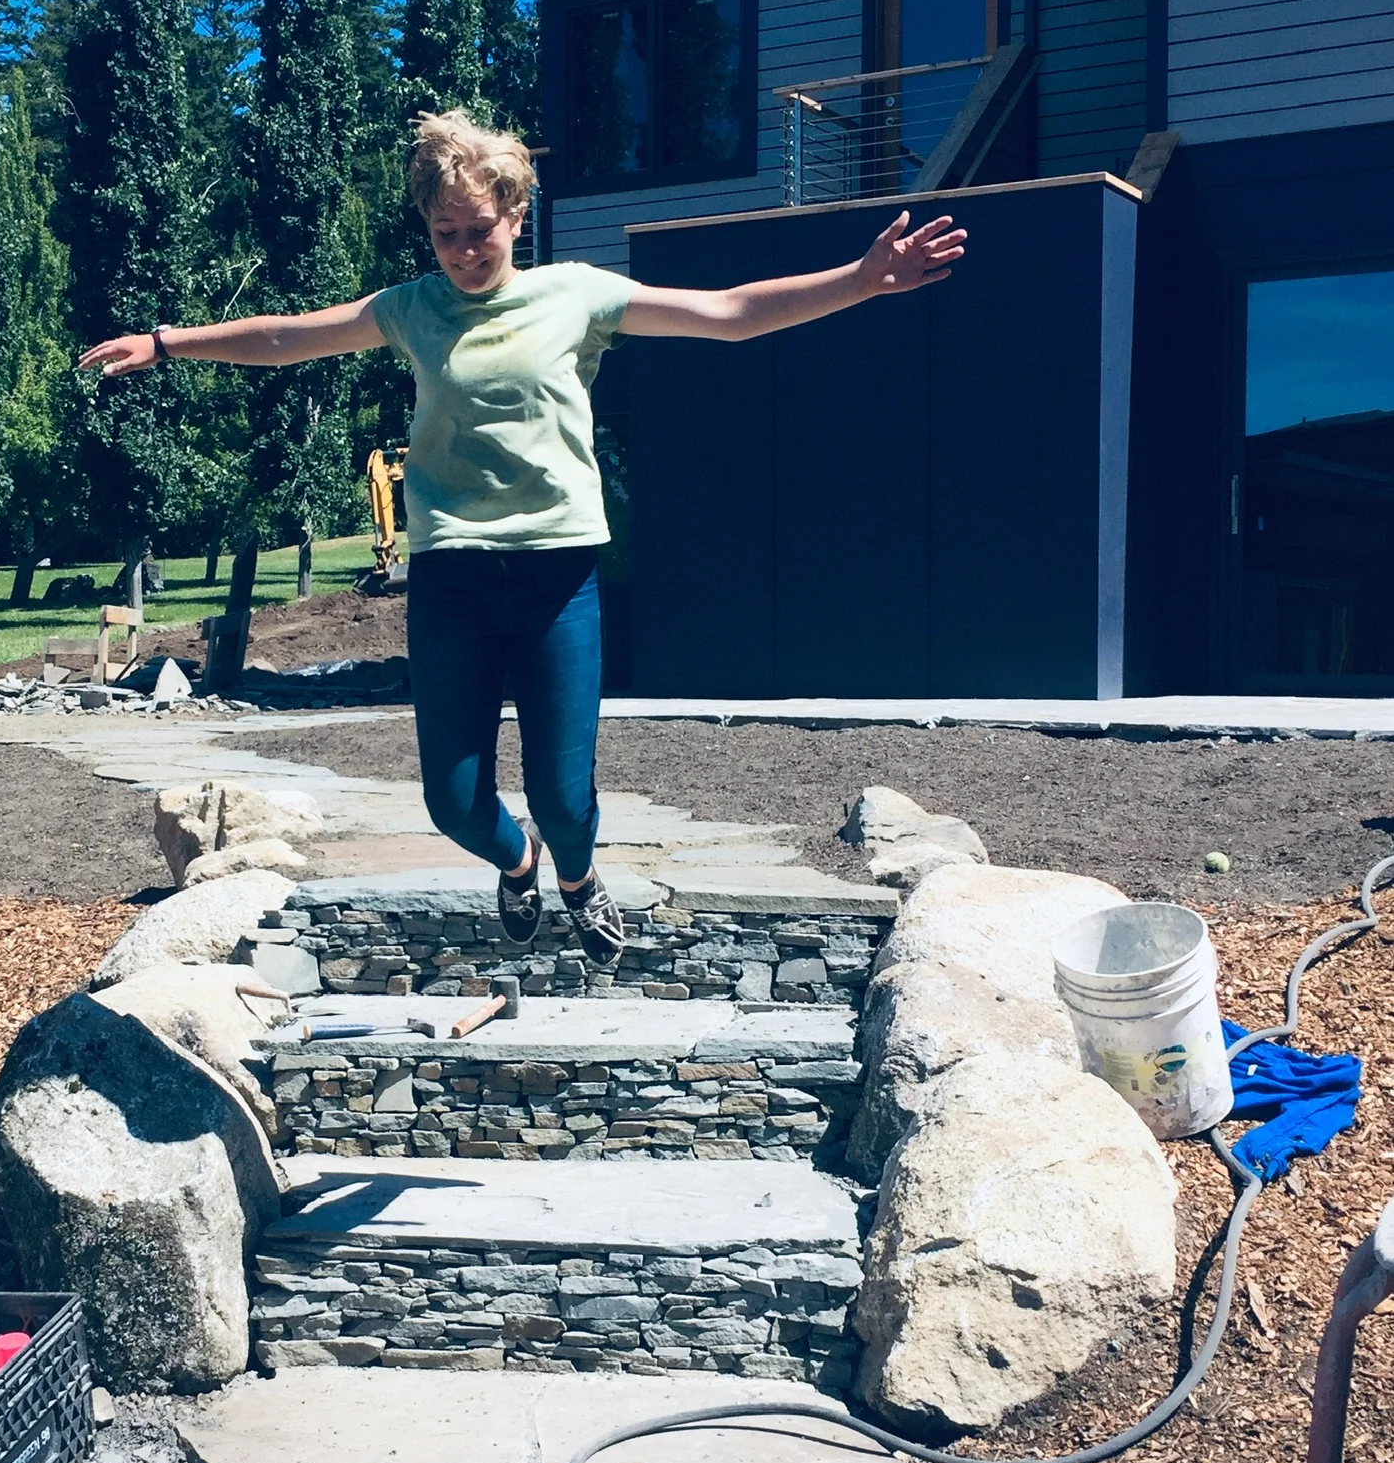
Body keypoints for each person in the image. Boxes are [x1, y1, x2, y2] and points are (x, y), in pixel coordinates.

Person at [77, 110, 965, 966]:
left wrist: (860, 279)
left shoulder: (575, 295)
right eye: (445, 233)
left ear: (514, 216)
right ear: (427, 231)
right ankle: (517, 864)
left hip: (555, 580)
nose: (465, 251)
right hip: (452, 579)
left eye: (480, 230)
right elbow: (287, 335)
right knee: (455, 804)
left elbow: (729, 313)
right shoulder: (411, 309)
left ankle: (575, 875)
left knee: (564, 801)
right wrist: (169, 342)